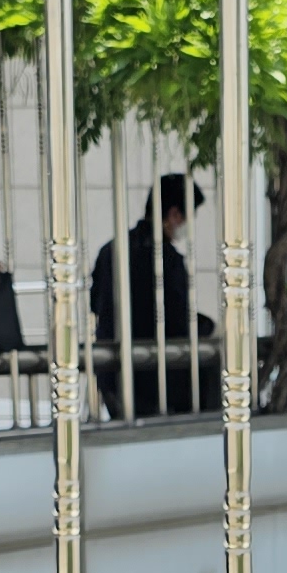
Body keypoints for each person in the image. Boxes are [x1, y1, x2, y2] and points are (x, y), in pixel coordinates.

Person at [89, 177, 206, 415]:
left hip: (113, 374)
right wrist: (207, 328)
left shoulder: (112, 249)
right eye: (188, 216)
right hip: (157, 380)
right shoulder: (168, 260)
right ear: (174, 214)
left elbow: (95, 303)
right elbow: (177, 320)